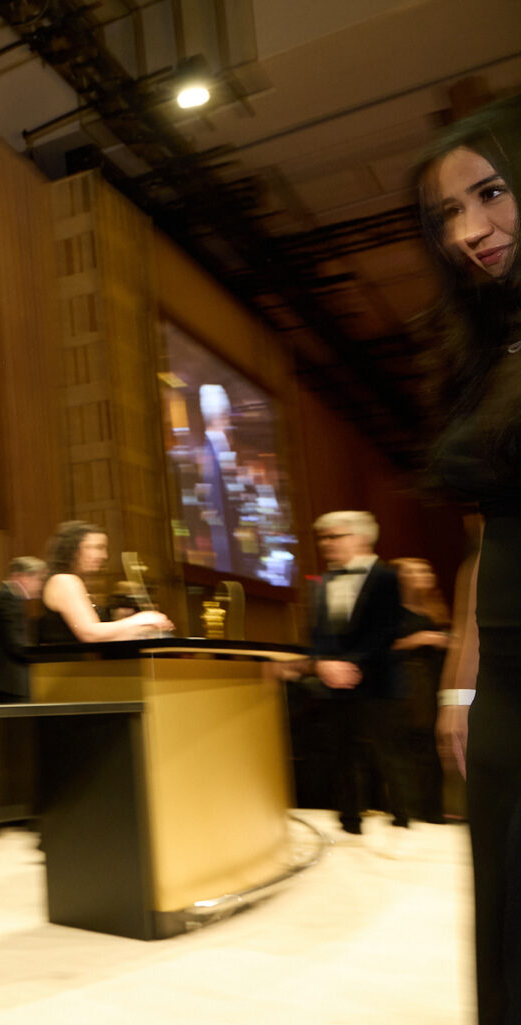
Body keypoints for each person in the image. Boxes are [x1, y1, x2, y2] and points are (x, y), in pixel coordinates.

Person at [418, 95, 521, 1025]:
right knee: (505, 932)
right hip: (508, 688)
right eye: (448, 213)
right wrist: (461, 679)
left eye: (490, 193)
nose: (470, 231)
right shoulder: (490, 347)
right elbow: (486, 533)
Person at [301, 511, 412, 838]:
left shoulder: (387, 577)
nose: (326, 544)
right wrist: (322, 663)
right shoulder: (321, 582)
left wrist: (352, 664)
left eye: (335, 537)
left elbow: (387, 630)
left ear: (361, 538)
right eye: (323, 538)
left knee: (389, 758)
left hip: (379, 682)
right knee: (341, 757)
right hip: (334, 684)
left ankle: (405, 826)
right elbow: (316, 633)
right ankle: (350, 826)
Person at [37, 520, 172, 644]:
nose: (104, 556)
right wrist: (139, 620)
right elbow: (90, 634)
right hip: (69, 668)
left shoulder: (68, 580)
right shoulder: (64, 580)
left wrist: (146, 628)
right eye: (97, 547)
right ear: (73, 549)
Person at [389, 557, 451, 822]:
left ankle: (433, 813)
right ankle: (413, 815)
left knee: (431, 754)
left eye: (426, 569)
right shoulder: (391, 610)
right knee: (415, 752)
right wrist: (420, 639)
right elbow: (378, 647)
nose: (424, 574)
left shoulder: (432, 608)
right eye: (413, 571)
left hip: (432, 684)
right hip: (410, 689)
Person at [0, 555, 46, 701]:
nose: (40, 586)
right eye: (38, 579)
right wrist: (45, 657)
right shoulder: (8, 597)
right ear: (23, 577)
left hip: (5, 682)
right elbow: (17, 645)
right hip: (9, 684)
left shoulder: (4, 595)